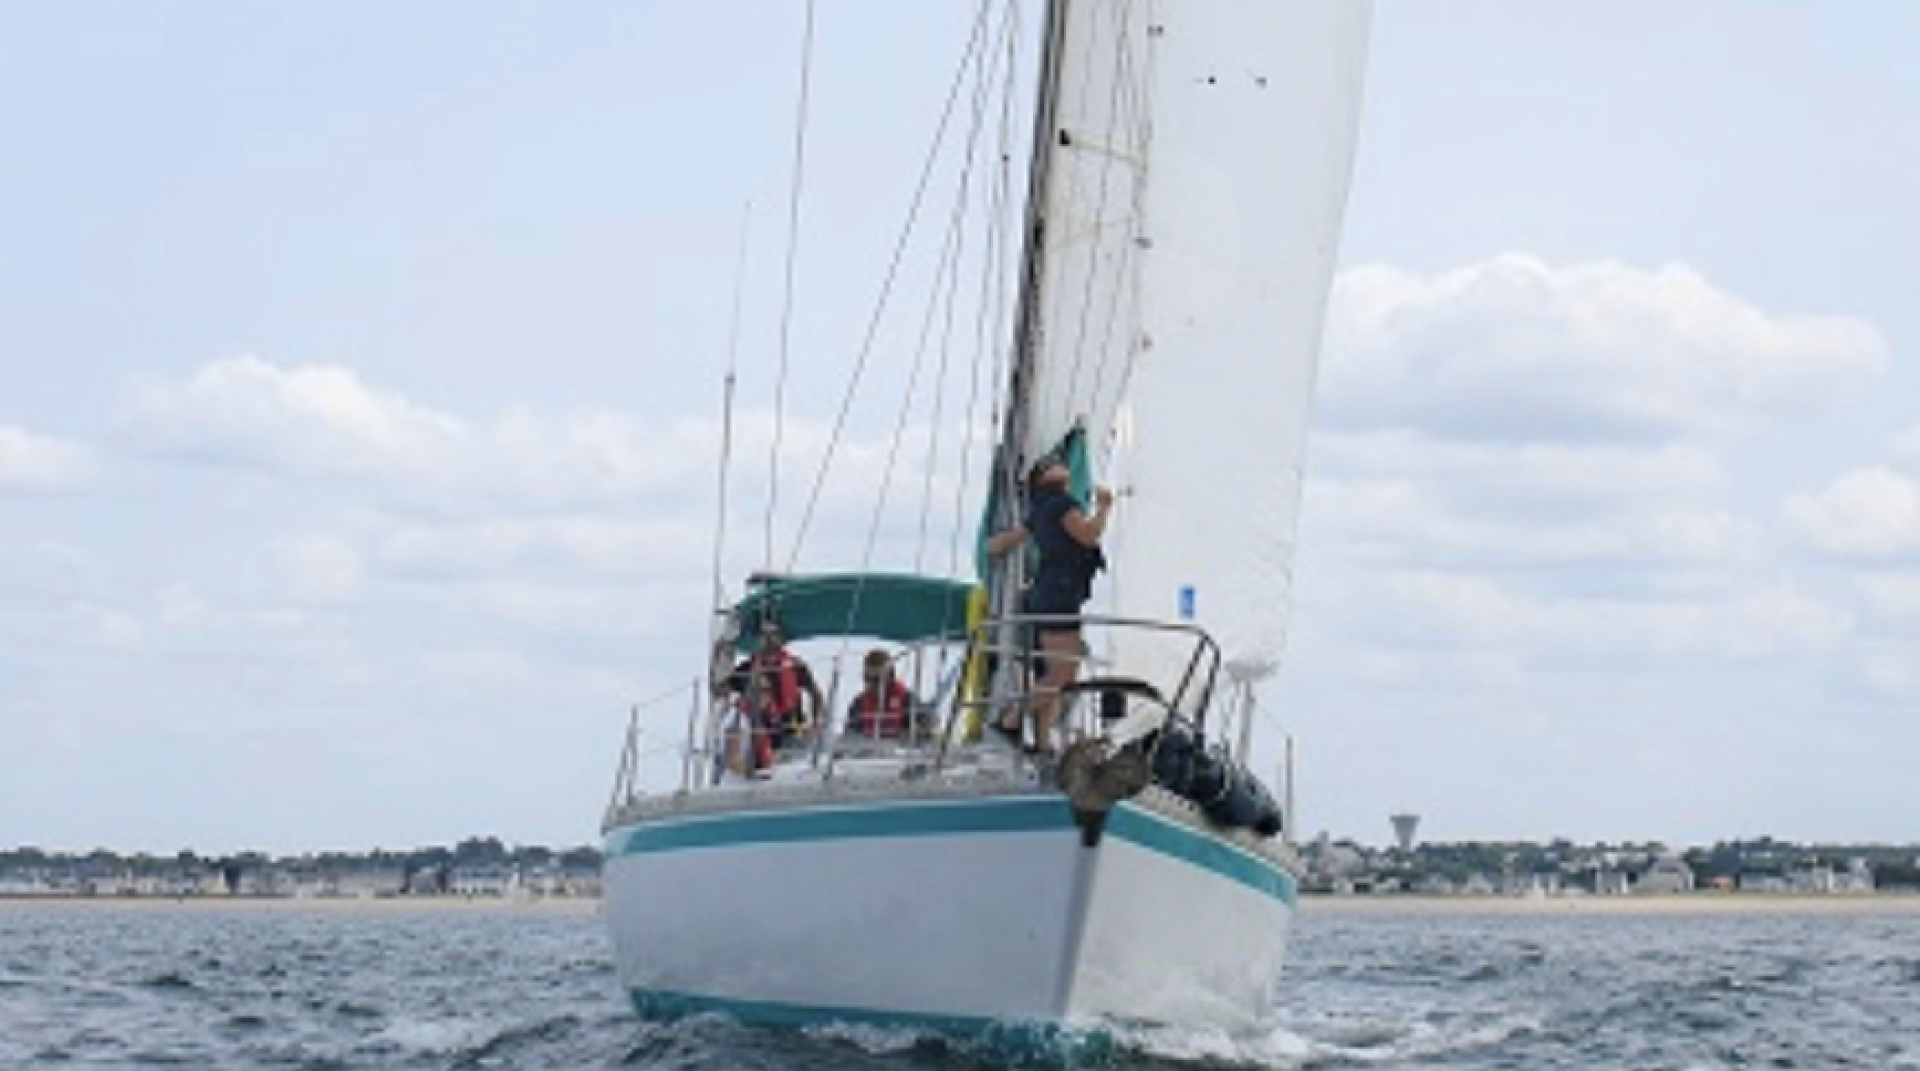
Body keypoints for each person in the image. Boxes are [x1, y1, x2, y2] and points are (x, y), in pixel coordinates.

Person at [984, 456, 1114, 757]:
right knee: (1063, 674)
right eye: (1049, 465)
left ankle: (1042, 743)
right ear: (1042, 479)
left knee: (1052, 674)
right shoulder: (1060, 504)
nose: (1059, 464)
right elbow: (1088, 534)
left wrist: (992, 546)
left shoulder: (1040, 508)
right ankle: (1010, 720)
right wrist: (1104, 508)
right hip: (1060, 594)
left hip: (1045, 593)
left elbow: (1012, 539)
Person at [723, 620, 825, 773]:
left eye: (774, 634)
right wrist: (722, 653)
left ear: (782, 638)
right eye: (764, 635)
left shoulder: (795, 665)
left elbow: (815, 694)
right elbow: (721, 690)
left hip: (792, 731)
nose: (769, 639)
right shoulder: (747, 668)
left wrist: (815, 723)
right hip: (758, 730)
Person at [844, 649, 919, 740]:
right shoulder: (859, 704)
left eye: (877, 680)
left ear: (891, 677)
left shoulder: (907, 700)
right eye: (867, 678)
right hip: (868, 751)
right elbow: (849, 736)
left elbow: (926, 725)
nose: (871, 684)